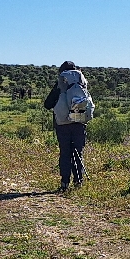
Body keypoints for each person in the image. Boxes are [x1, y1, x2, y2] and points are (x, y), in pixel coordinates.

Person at [43, 61, 92, 191]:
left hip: (63, 124)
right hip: (79, 122)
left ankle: (65, 183)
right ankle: (78, 181)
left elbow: (47, 104)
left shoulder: (60, 85)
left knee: (65, 153)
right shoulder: (82, 84)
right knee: (78, 153)